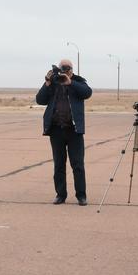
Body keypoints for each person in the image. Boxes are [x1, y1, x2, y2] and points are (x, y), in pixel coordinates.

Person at [36, 59, 93, 204]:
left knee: (77, 164)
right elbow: (40, 100)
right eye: (62, 68)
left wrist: (70, 82)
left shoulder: (78, 82)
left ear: (72, 70)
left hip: (74, 130)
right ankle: (60, 194)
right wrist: (47, 83)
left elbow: (87, 93)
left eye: (67, 68)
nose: (65, 71)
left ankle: (81, 195)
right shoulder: (53, 83)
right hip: (56, 130)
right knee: (59, 164)